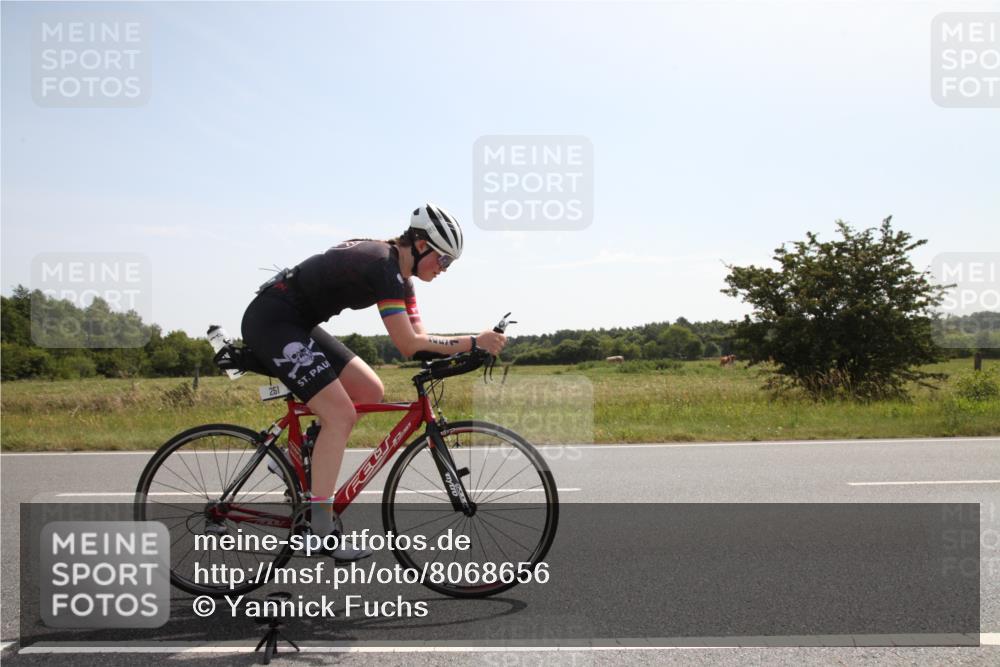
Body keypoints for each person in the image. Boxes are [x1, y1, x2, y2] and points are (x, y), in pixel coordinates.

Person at [241, 204, 506, 561]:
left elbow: (421, 341)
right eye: (443, 260)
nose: (444, 269)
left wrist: (468, 352)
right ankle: (320, 531)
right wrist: (474, 341)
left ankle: (300, 456)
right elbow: (408, 344)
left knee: (370, 390)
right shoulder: (384, 266)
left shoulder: (401, 277)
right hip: (272, 321)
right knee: (340, 415)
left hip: (297, 323)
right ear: (422, 245)